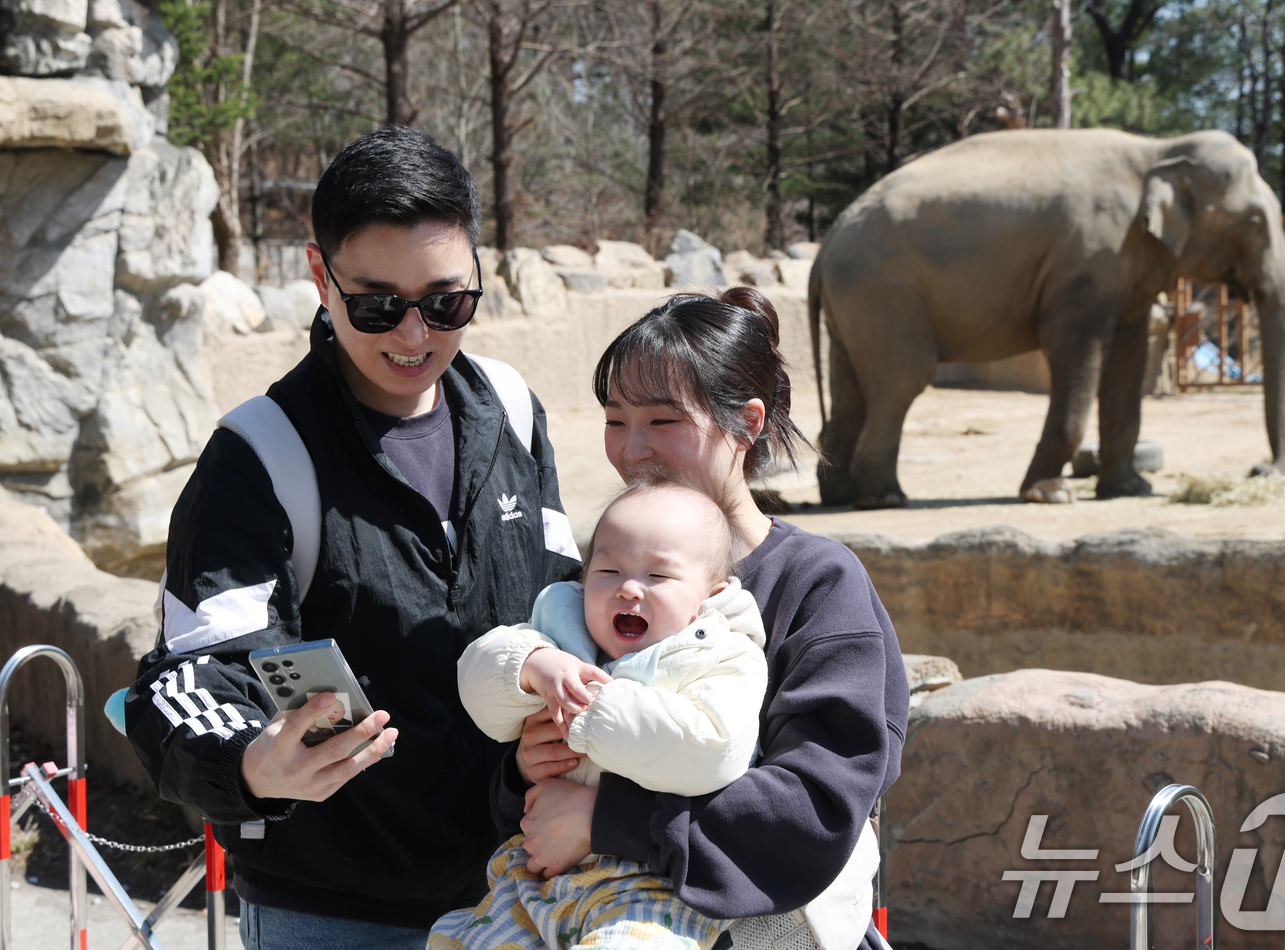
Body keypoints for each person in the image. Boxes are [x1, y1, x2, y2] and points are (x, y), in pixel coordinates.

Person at [123, 126, 581, 950]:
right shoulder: (258, 456)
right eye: (377, 306)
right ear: (318, 276)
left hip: (525, 892)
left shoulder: (512, 410)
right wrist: (253, 764)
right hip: (335, 911)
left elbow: (567, 604)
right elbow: (187, 678)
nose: (415, 337)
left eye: (447, 302)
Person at [491, 287, 909, 950]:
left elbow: (817, 807)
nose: (632, 451)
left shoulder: (818, 583)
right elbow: (530, 798)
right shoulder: (603, 574)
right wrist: (528, 767)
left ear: (746, 423)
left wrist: (611, 820)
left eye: (662, 422)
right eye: (614, 420)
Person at [432, 476, 767, 950]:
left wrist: (585, 711)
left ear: (708, 595)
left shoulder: (724, 657)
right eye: (607, 572)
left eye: (658, 576)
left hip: (651, 883)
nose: (629, 589)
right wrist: (531, 665)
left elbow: (712, 749)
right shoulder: (559, 635)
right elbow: (480, 689)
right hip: (538, 875)